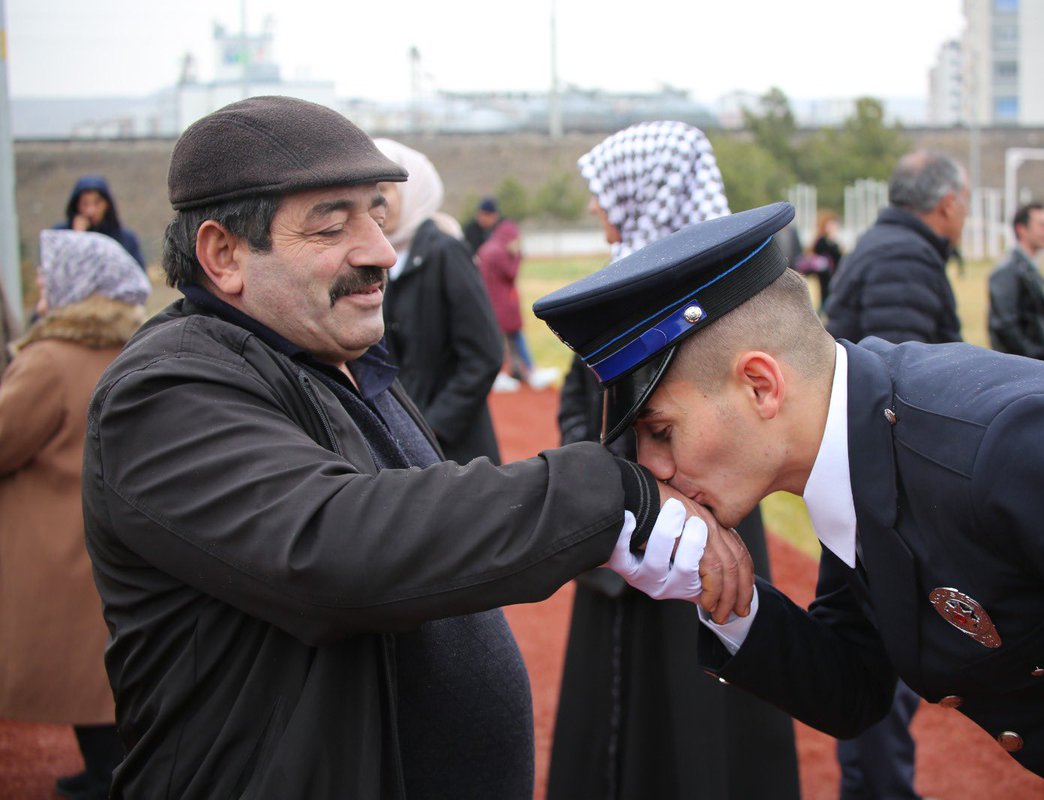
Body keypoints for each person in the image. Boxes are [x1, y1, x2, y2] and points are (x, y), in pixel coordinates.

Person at [80, 95, 754, 799]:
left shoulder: (335, 355)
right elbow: (332, 548)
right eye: (332, 225)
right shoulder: (163, 393)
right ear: (224, 254)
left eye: (376, 213)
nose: (379, 250)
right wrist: (612, 491)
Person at [534, 202, 1044, 799]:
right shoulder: (857, 440)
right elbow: (854, 688)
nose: (653, 468)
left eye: (660, 431)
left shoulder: (1012, 451)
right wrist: (721, 597)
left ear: (762, 386)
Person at [547, 120, 800, 800]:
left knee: (702, 709)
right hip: (626, 525)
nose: (597, 210)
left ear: (643, 192)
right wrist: (609, 476)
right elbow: (580, 405)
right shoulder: (609, 286)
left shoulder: (727, 296)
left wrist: (679, 495)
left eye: (606, 193)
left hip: (709, 519)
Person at [821, 150, 969, 800]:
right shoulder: (904, 259)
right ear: (946, 205)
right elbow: (900, 394)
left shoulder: (888, 248)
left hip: (861, 489)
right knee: (880, 659)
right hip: (879, 500)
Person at [1, 229, 151, 800]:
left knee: (72, 674)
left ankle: (102, 778)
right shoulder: (130, 350)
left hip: (51, 547)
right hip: (102, 535)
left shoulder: (46, 361)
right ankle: (99, 772)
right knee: (98, 676)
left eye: (48, 272)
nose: (40, 282)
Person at [372, 137, 504, 464]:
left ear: (411, 190)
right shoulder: (370, 261)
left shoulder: (445, 253)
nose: (376, 203)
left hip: (454, 452)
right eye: (367, 193)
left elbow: (483, 353)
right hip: (395, 447)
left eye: (385, 190)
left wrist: (432, 427)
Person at [824, 152, 966, 346]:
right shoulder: (904, 257)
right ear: (948, 205)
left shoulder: (883, 241)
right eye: (966, 202)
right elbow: (898, 361)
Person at [476, 211, 558, 391]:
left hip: (492, 301)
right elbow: (511, 273)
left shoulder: (488, 247)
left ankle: (513, 372)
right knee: (512, 338)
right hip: (503, 302)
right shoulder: (500, 251)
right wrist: (517, 255)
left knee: (502, 340)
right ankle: (522, 373)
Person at [987, 202, 1044, 363]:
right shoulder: (1007, 272)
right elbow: (1005, 327)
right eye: (1042, 225)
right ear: (1021, 229)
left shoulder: (1029, 269)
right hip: (1027, 372)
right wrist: (1034, 361)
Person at [54, 175, 145, 268]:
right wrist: (77, 238)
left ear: (107, 204)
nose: (91, 210)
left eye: (97, 203)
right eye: (85, 203)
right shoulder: (60, 235)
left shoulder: (125, 239)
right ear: (76, 205)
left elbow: (137, 274)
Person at [810, 210, 843, 310]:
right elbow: (818, 253)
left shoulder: (834, 241)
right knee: (825, 297)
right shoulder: (822, 241)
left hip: (833, 274)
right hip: (824, 275)